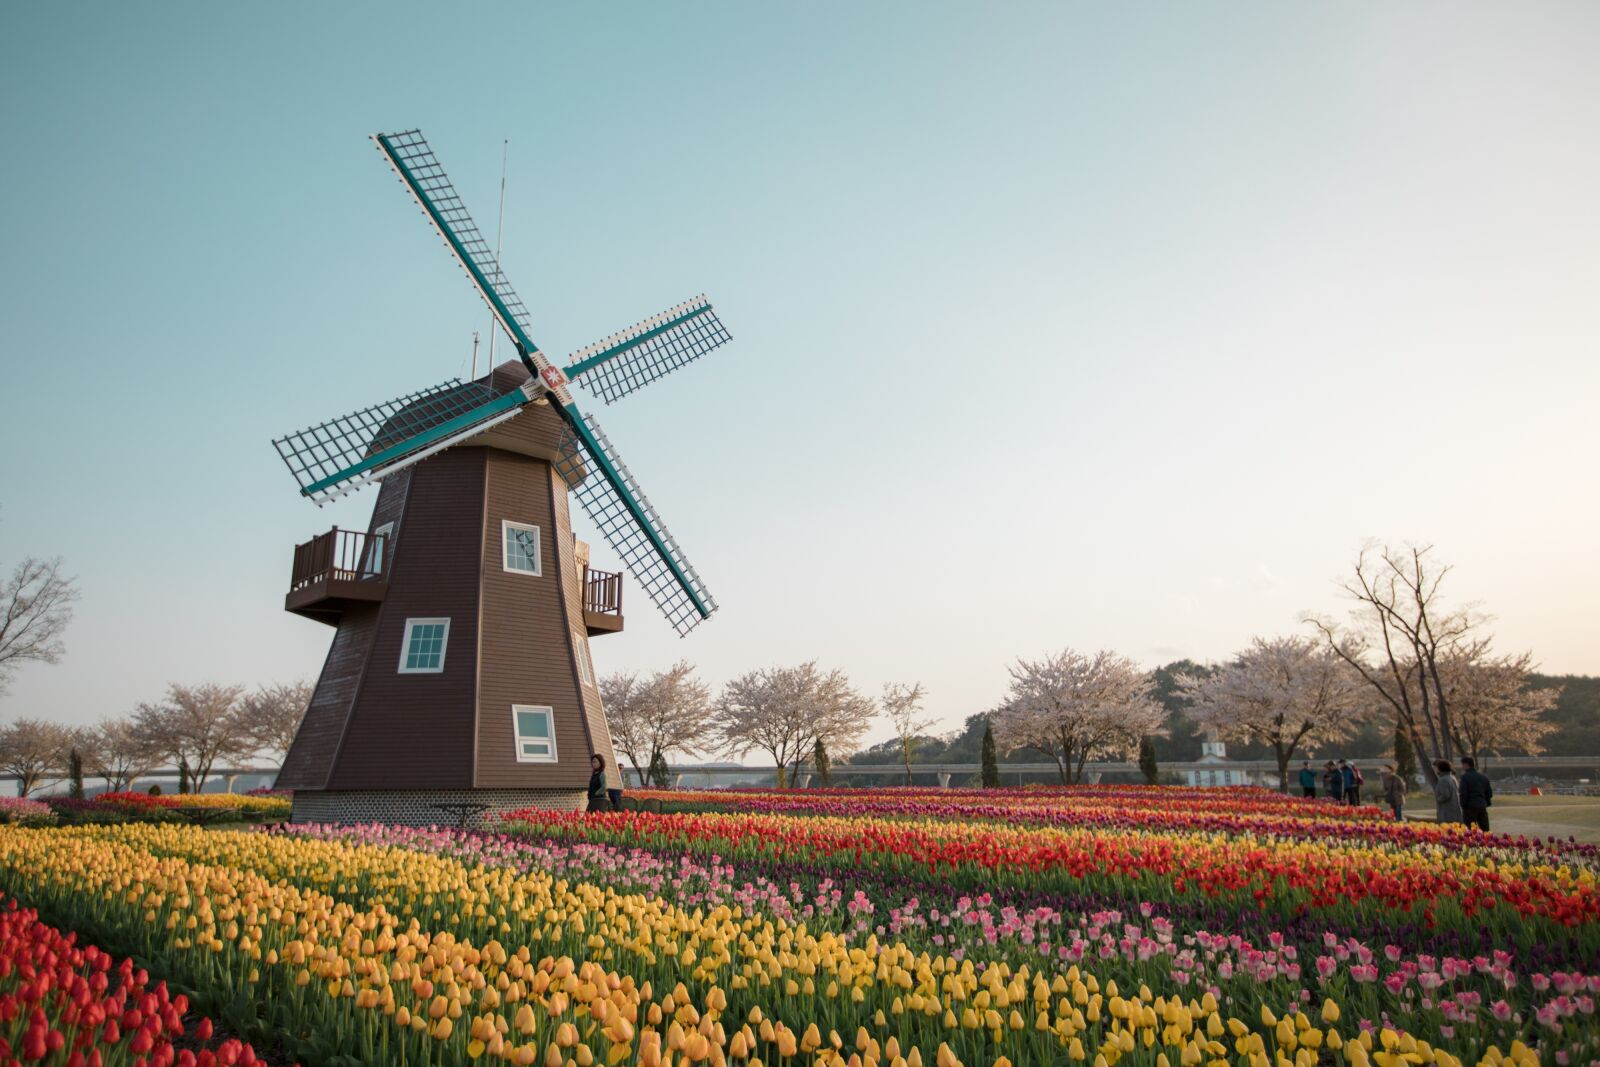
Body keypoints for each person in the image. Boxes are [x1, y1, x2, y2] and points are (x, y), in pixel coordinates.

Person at [1459, 756, 1493, 831]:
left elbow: (1463, 793)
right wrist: (1485, 803)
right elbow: (1489, 794)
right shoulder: (1483, 777)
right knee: (1484, 829)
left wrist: (1463, 805)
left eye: (1462, 765)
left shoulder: (1465, 777)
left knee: (1469, 829)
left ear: (1466, 764)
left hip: (1469, 806)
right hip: (1482, 805)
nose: (1462, 767)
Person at [1433, 760, 1462, 825]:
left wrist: (1438, 798)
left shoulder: (1443, 780)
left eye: (1436, 768)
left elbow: (1445, 795)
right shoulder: (1452, 778)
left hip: (1447, 812)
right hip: (1455, 809)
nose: (1435, 770)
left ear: (1440, 769)